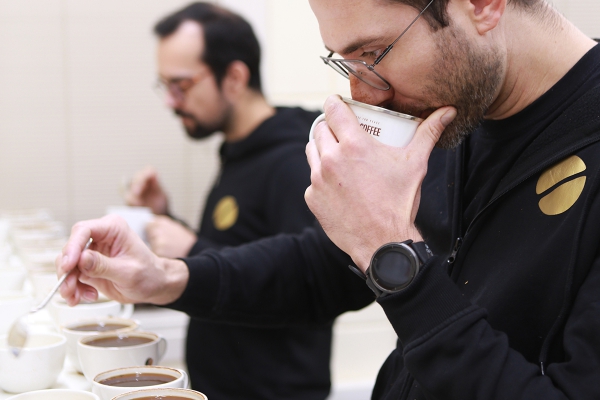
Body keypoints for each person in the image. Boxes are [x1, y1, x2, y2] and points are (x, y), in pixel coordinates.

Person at [58, 0, 600, 398]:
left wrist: (396, 259)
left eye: (373, 53)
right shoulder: (461, 114)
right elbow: (322, 267)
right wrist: (169, 275)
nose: (363, 93)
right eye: (346, 63)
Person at [122, 3, 331, 399]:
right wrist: (164, 217)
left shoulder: (293, 163)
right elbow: (240, 250)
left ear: (234, 77)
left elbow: (308, 283)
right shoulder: (241, 151)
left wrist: (193, 249)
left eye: (181, 86)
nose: (171, 101)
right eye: (165, 86)